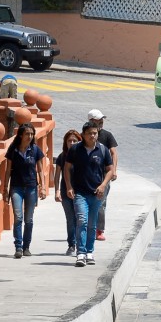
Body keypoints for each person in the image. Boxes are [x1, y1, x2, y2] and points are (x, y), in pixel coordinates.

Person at [64, 121, 113, 267]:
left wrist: (103, 185)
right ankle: (81, 253)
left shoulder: (102, 150)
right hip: (80, 193)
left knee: (92, 224)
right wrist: (68, 186)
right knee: (82, 221)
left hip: (96, 194)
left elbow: (110, 169)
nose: (93, 136)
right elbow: (67, 168)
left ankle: (89, 252)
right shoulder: (75, 149)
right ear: (83, 135)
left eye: (95, 133)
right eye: (90, 133)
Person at [1, 123, 47, 258]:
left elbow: (40, 169)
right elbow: (8, 170)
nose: (30, 136)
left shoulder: (35, 150)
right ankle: (18, 247)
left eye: (31, 134)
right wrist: (5, 188)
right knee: (18, 216)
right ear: (21, 135)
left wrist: (43, 187)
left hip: (31, 187)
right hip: (16, 187)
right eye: (27, 134)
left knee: (29, 219)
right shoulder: (13, 150)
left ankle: (27, 246)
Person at [86, 109, 118, 241]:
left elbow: (114, 153)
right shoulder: (84, 135)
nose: (101, 123)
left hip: (104, 175)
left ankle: (99, 230)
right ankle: (87, 228)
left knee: (101, 202)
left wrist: (114, 170)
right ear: (91, 121)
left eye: (101, 120)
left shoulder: (107, 135)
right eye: (98, 120)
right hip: (87, 174)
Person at [53, 129, 82, 257]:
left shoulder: (83, 155)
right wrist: (57, 191)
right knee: (70, 219)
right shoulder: (62, 156)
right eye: (69, 141)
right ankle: (71, 245)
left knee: (81, 219)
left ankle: (82, 244)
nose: (71, 143)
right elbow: (57, 175)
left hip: (81, 191)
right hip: (66, 192)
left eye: (74, 141)